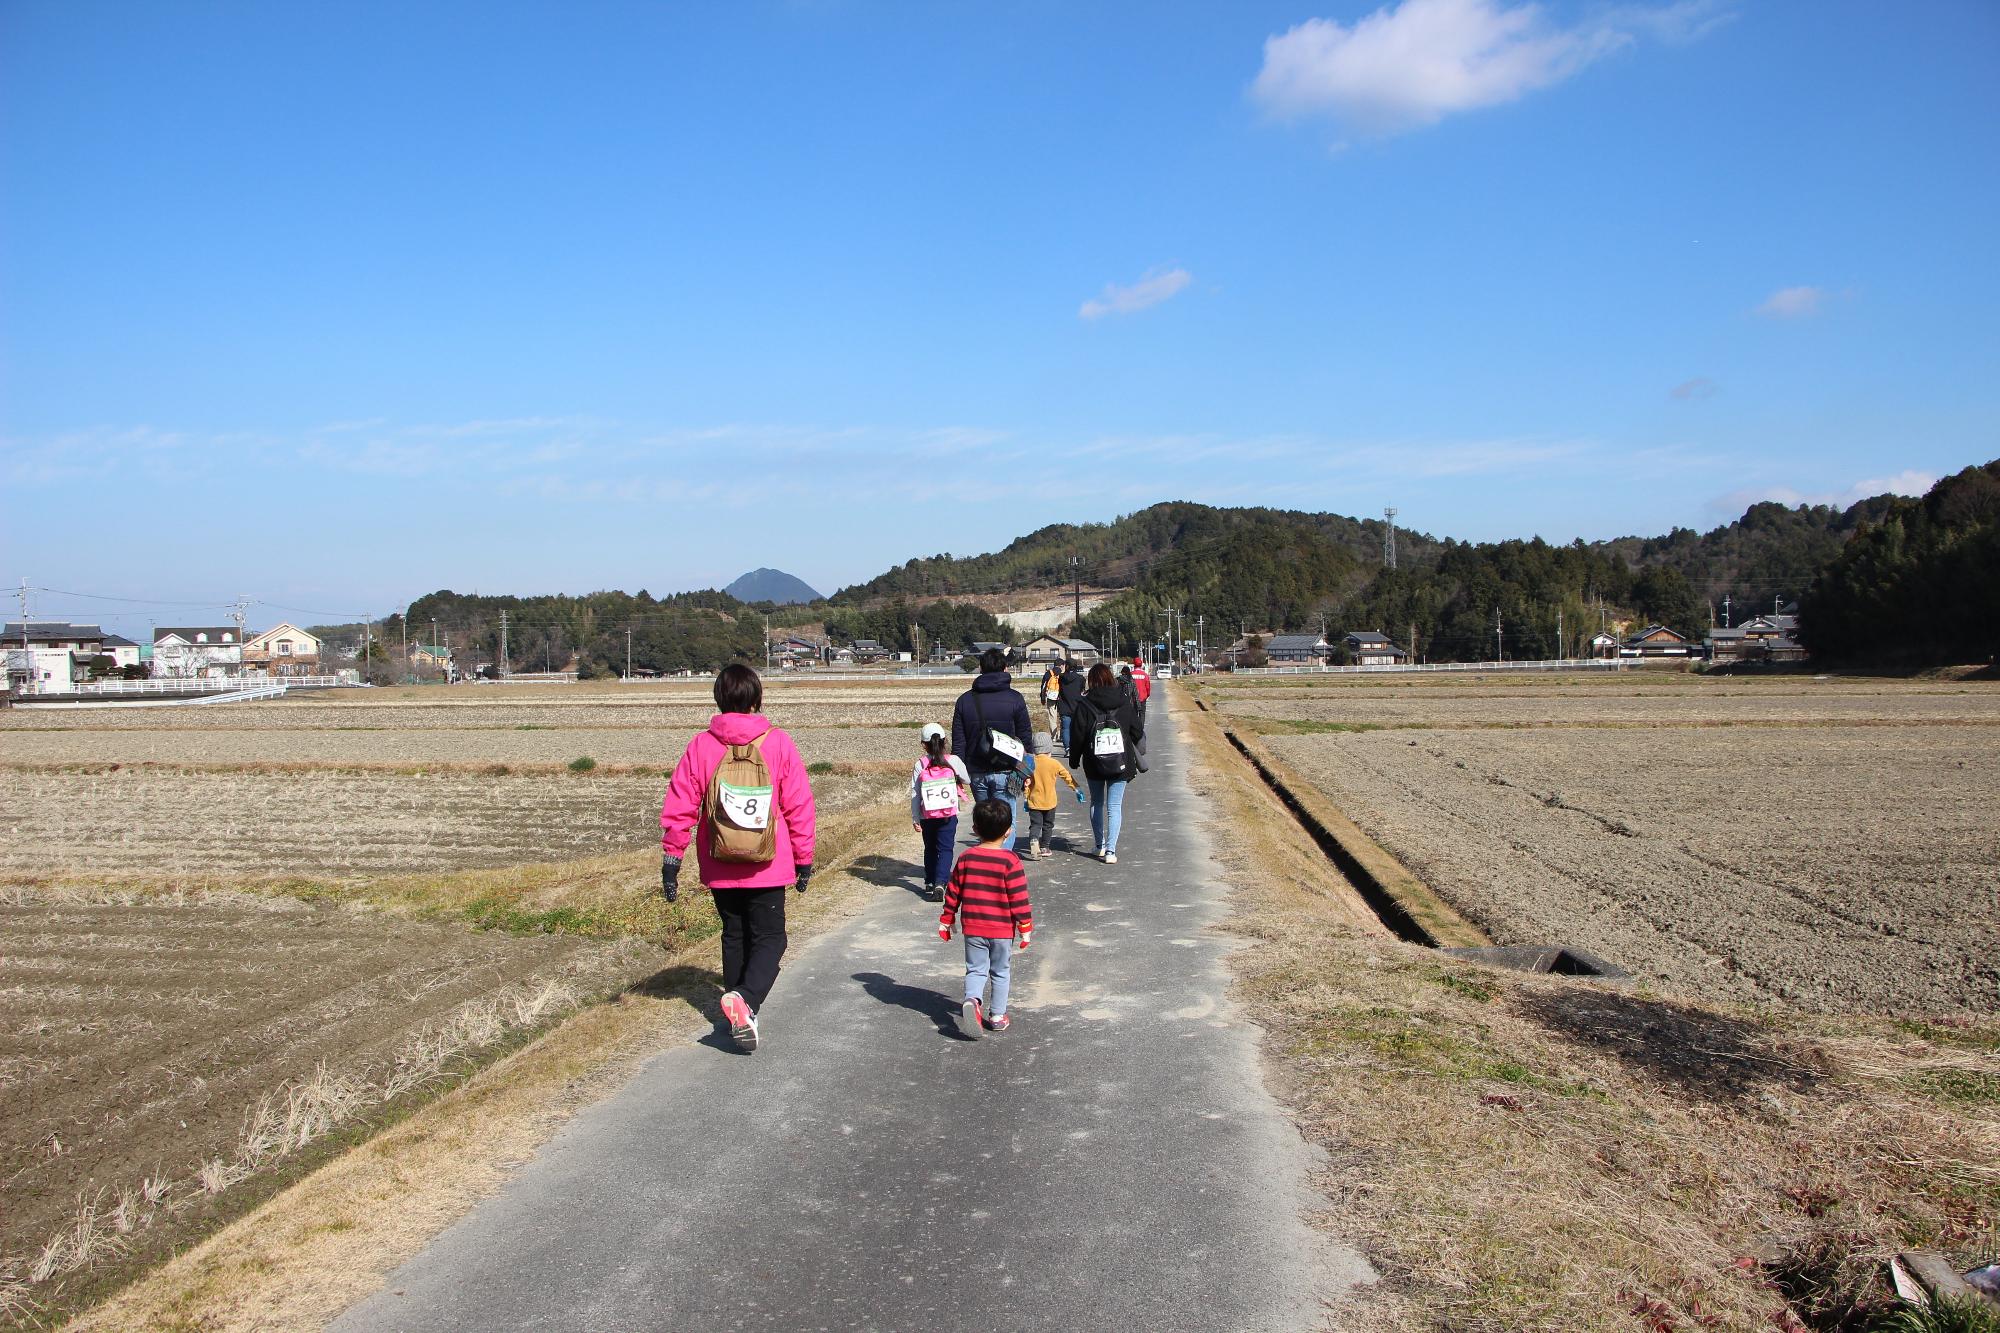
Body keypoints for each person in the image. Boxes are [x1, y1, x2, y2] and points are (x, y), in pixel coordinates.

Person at [659, 663, 816, 1053]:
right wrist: (804, 857)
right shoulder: (778, 742)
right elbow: (798, 804)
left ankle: (740, 1012)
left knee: (734, 934)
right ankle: (745, 1001)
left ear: (719, 699)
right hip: (768, 861)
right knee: (771, 938)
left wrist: (672, 857)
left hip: (719, 859)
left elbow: (681, 803)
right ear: (756, 699)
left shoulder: (701, 745)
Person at [938, 798, 1032, 1037]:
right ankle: (998, 1015)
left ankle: (972, 1000)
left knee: (976, 969)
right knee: (1000, 971)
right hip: (1001, 930)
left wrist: (947, 919)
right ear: (1009, 831)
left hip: (973, 927)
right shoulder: (1010, 861)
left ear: (975, 829)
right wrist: (1025, 925)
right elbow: (1018, 897)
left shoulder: (966, 858)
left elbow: (953, 893)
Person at [951, 646, 1033, 851]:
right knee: (1007, 822)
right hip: (1007, 770)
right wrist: (1029, 769)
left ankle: (987, 865)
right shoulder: (1015, 698)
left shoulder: (964, 700)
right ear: (1005, 668)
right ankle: (1000, 867)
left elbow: (959, 743)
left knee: (985, 825)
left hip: (976, 771)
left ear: (981, 668)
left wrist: (957, 775)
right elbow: (1025, 737)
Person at [1067, 661, 1143, 864]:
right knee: (1114, 806)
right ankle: (1111, 851)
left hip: (1094, 762)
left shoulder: (1084, 704)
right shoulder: (1123, 701)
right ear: (1110, 678)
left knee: (1097, 803)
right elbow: (1137, 730)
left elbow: (1077, 736)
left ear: (1091, 681)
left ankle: (1099, 846)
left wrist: (1074, 760)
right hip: (1121, 761)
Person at [909, 722, 970, 900]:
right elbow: (967, 779)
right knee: (945, 848)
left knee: (930, 847)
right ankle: (941, 882)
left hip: (927, 814)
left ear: (923, 744)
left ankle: (929, 881)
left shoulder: (920, 763)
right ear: (944, 741)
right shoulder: (953, 761)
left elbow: (915, 793)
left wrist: (915, 817)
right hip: (948, 814)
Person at [1021, 730, 1082, 859]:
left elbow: (1026, 782)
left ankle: (1033, 840)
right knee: (1048, 825)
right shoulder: (1054, 763)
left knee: (1035, 824)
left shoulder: (1030, 763)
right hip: (1050, 802)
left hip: (1034, 801)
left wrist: (1026, 798)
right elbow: (1067, 776)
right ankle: (1045, 847)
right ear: (1049, 748)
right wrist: (1076, 788)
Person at [1055, 655, 1087, 751]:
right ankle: (1077, 747)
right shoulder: (1081, 678)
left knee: (1065, 728)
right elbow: (1082, 690)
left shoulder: (1061, 678)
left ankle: (1068, 748)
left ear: (1067, 666)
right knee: (1077, 728)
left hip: (1064, 706)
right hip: (1077, 706)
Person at [1038, 660, 1062, 739]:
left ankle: (1054, 736)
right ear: (1061, 665)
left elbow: (1043, 686)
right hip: (1061, 698)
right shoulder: (1063, 673)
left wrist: (1042, 698)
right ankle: (1062, 735)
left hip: (1051, 697)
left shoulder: (1048, 673)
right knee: (1062, 717)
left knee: (1052, 718)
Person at [1128, 656, 1152, 726]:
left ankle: (1134, 729)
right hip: (1142, 698)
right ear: (1141, 665)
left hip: (1133, 698)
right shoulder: (1145, 675)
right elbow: (1148, 687)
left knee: (1134, 714)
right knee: (1142, 714)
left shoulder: (1131, 674)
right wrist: (1147, 695)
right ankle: (1141, 729)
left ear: (1134, 664)